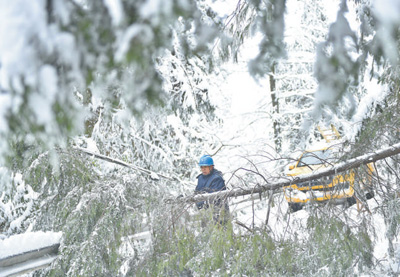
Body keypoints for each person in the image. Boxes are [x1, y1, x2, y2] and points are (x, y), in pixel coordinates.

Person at [194, 155, 229, 225]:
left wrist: (201, 203)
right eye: (202, 167)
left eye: (205, 167)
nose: (203, 169)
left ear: (211, 167)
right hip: (205, 215)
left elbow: (214, 199)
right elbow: (196, 193)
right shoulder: (201, 178)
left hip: (218, 214)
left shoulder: (217, 179)